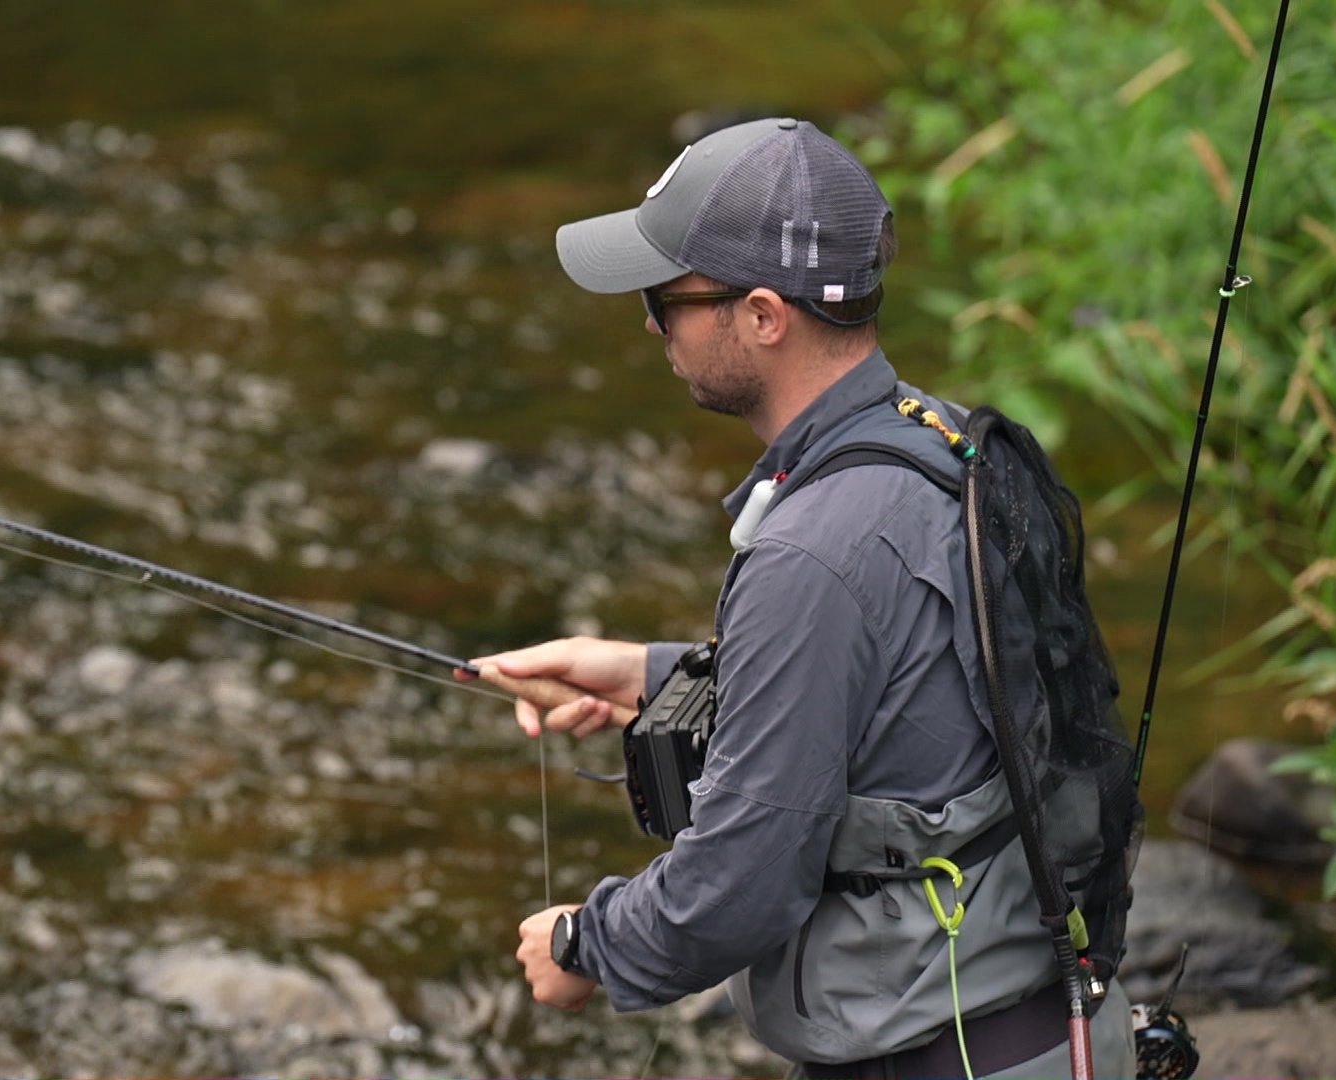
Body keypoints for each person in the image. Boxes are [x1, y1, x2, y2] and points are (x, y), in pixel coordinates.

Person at [472, 118, 1136, 1080]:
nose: (653, 326)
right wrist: (656, 675)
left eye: (667, 300)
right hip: (1053, 1032)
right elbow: (923, 702)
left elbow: (743, 880)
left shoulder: (810, 554)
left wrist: (587, 945)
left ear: (762, 316)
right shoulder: (946, 442)